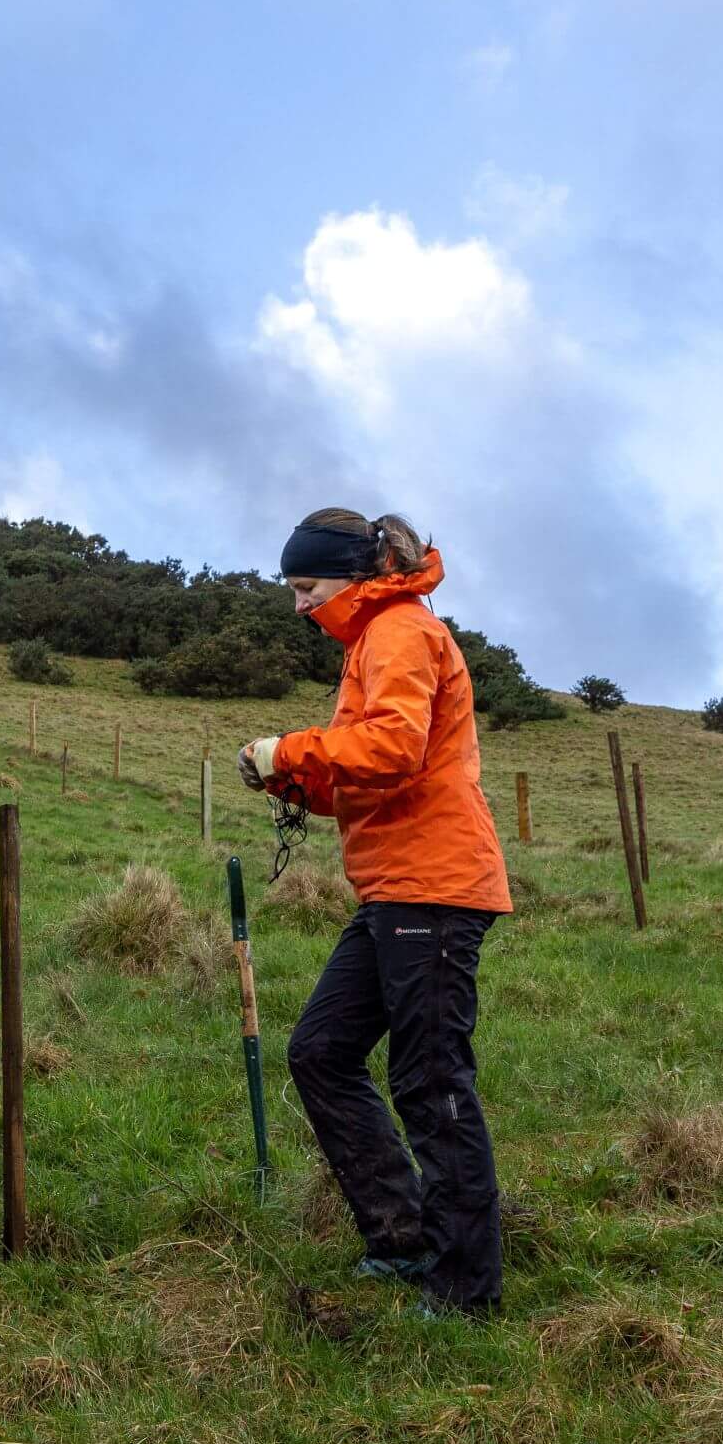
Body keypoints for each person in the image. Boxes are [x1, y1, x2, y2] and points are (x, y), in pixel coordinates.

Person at [238, 509, 512, 1317]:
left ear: (350, 577)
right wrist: (290, 781)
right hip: (395, 886)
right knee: (321, 1050)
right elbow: (370, 769)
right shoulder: (374, 640)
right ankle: (401, 1237)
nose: (297, 606)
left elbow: (392, 747)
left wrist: (287, 750)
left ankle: (465, 1288)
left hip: (433, 884)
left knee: (431, 1082)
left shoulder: (397, 630)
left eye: (305, 588)